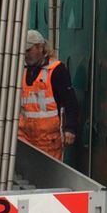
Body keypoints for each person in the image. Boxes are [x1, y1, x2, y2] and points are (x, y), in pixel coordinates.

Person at [18, 29, 80, 160]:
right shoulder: (21, 69)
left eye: (29, 50)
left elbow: (70, 101)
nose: (25, 54)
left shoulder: (57, 70)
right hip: (24, 137)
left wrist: (70, 128)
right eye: (24, 51)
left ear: (41, 47)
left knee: (46, 177)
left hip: (47, 142)